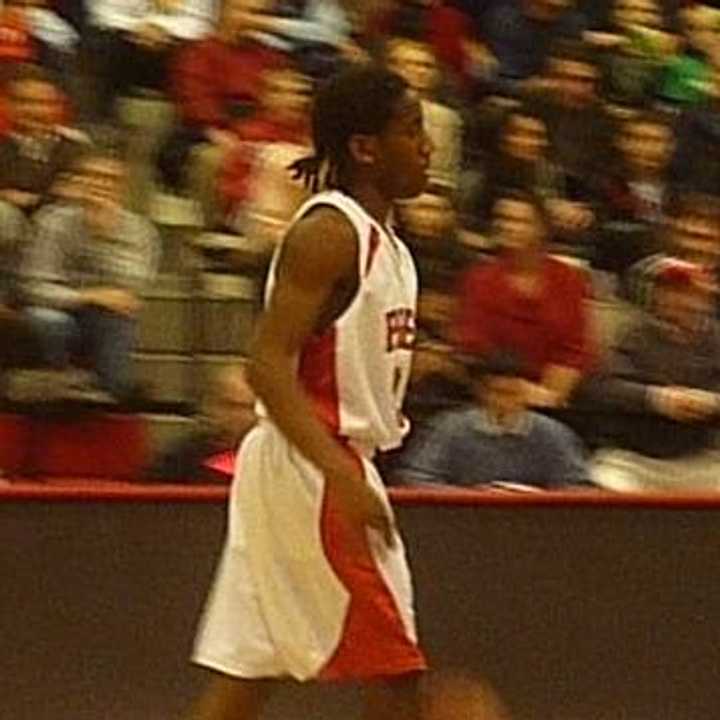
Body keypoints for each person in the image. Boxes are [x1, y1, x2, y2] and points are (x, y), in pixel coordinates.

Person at [188, 64, 431, 720]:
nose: (429, 145)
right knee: (396, 672)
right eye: (412, 131)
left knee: (249, 674)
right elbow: (266, 364)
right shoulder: (329, 232)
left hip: (318, 461)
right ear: (365, 147)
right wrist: (340, 475)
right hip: (316, 463)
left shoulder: (391, 243)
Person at [20, 144, 159, 400]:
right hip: (56, 310)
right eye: (92, 177)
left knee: (116, 315)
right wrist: (88, 296)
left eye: (110, 179)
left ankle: (114, 391)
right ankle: (61, 390)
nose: (100, 185)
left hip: (105, 315)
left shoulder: (140, 231)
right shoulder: (52, 221)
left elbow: (131, 290)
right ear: (77, 182)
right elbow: (34, 287)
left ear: (123, 187)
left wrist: (103, 235)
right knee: (49, 321)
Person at [454, 191, 595, 409]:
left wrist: (550, 396)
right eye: (502, 219)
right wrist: (516, 390)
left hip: (556, 392)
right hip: (493, 390)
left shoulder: (568, 279)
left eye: (519, 221)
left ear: (541, 229)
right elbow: (474, 346)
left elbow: (574, 349)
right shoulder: (479, 279)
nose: (507, 227)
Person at [588, 261, 720, 492]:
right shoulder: (634, 335)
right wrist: (655, 398)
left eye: (685, 292)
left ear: (704, 299)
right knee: (607, 481)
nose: (674, 299)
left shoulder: (715, 341)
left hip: (700, 458)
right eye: (667, 291)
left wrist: (711, 402)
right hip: (637, 459)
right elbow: (603, 388)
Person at [394, 350, 591, 490]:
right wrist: (470, 499)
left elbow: (576, 484)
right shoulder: (449, 428)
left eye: (513, 393)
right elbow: (415, 476)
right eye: (498, 393)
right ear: (482, 393)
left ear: (526, 394)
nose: (505, 401)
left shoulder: (553, 434)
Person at [148, 366, 257, 483]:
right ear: (210, 406)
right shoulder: (178, 462)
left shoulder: (268, 457)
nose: (239, 416)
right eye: (230, 405)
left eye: (248, 407)